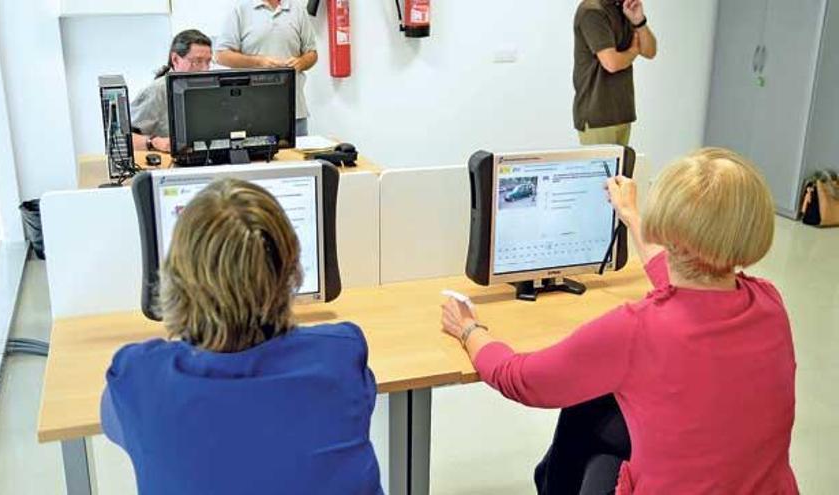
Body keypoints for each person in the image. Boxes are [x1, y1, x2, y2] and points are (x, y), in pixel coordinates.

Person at [441, 148, 798, 494]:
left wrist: (469, 329)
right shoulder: (769, 302)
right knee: (597, 408)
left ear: (667, 228)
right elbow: (693, 280)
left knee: (583, 408)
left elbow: (520, 379)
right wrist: (630, 215)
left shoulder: (636, 330)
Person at [100, 179, 382, 494]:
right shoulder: (341, 357)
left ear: (176, 280)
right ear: (290, 272)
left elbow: (115, 423)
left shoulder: (138, 379)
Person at [215, 0, 318, 137]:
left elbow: (312, 54)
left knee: (297, 157)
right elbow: (222, 55)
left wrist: (300, 62)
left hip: (294, 111)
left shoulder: (298, 10)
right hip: (250, 114)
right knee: (255, 158)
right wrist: (259, 63)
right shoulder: (240, 10)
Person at [574, 0, 657, 146]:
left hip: (622, 113)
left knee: (620, 170)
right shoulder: (591, 11)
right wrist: (633, 51)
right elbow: (611, 63)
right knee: (602, 169)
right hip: (597, 116)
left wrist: (639, 21)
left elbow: (650, 51)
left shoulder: (623, 8)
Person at [130, 29, 213, 153]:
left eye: (208, 62)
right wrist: (154, 142)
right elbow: (124, 139)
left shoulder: (210, 89)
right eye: (197, 61)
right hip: (168, 164)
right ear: (175, 59)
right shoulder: (156, 91)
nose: (205, 70)